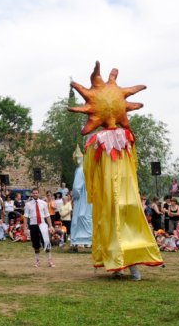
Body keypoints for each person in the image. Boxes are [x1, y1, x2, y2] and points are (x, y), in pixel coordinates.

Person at [70, 62, 163, 280]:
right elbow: (134, 163)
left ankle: (122, 264)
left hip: (112, 193)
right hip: (126, 189)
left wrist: (93, 191)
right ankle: (123, 265)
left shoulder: (96, 141)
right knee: (128, 222)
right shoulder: (126, 138)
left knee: (115, 223)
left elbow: (88, 168)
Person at [23, 188, 55, 268]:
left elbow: (47, 215)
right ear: (31, 194)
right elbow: (26, 217)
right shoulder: (28, 204)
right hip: (33, 225)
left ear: (39, 194)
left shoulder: (44, 203)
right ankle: (37, 261)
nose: (35, 194)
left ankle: (50, 261)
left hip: (43, 225)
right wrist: (25, 228)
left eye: (36, 193)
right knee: (36, 243)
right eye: (33, 193)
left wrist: (50, 226)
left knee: (46, 242)